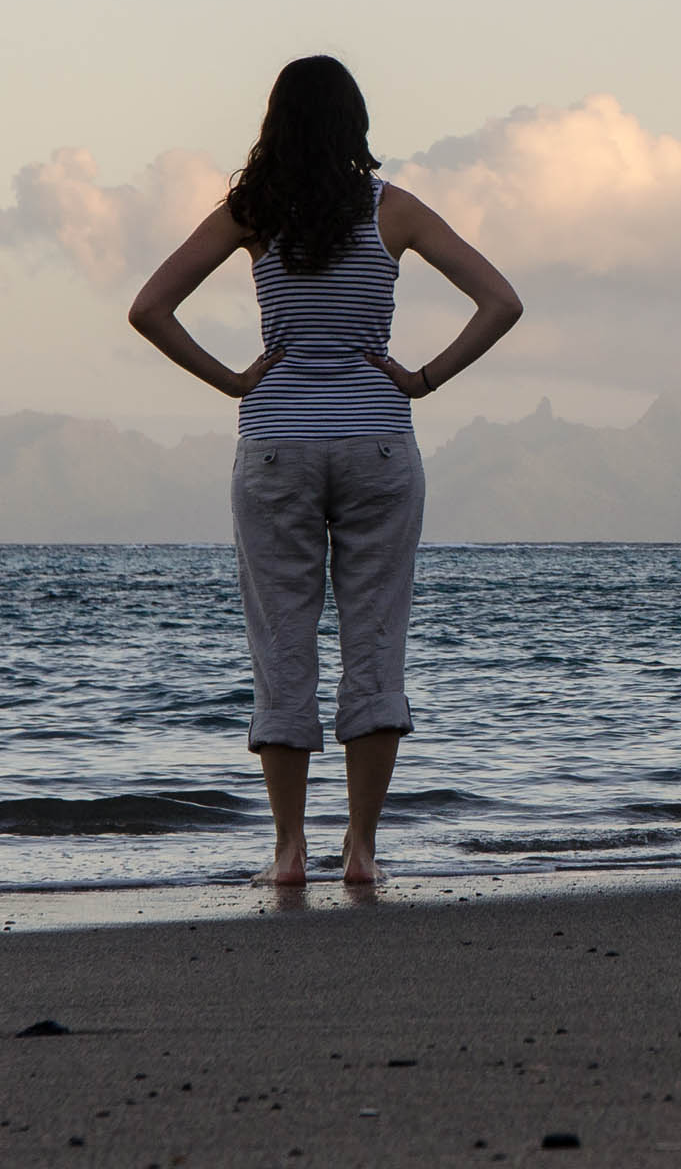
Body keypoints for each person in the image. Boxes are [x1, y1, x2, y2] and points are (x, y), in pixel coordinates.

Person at [128, 55, 520, 885]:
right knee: (374, 646)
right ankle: (364, 851)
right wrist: (423, 378)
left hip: (275, 445)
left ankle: (287, 851)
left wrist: (233, 379)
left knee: (283, 648)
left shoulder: (252, 212)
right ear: (356, 124)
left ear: (275, 121)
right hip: (378, 441)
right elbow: (501, 301)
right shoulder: (395, 210)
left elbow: (149, 308)